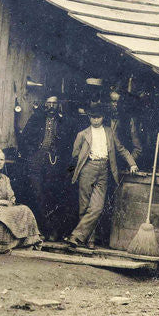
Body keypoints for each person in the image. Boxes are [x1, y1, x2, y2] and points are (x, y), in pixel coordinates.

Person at [65, 103, 138, 250]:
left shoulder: (110, 132)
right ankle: (88, 240)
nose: (95, 120)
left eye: (98, 117)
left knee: (97, 207)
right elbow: (75, 154)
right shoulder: (82, 134)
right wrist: (78, 168)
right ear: (89, 117)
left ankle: (77, 236)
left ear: (103, 117)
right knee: (84, 206)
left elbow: (121, 149)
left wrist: (132, 163)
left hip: (104, 169)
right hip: (87, 169)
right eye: (93, 117)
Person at [19, 96, 70, 240]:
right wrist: (31, 153)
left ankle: (51, 230)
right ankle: (38, 229)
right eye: (49, 103)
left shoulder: (63, 122)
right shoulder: (36, 119)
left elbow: (67, 144)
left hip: (53, 163)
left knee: (51, 195)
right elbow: (25, 138)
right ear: (44, 104)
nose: (52, 106)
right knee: (36, 194)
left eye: (55, 103)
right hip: (35, 161)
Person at [0, 149, 43, 253]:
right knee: (7, 214)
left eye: (2, 160)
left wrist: (9, 202)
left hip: (4, 206)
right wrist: (1, 202)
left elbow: (11, 196)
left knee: (25, 209)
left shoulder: (5, 178)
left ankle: (30, 240)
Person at [108, 88, 144, 167]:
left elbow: (138, 149)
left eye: (119, 102)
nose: (116, 105)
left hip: (120, 165)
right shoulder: (101, 119)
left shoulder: (129, 121)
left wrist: (129, 163)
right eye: (113, 101)